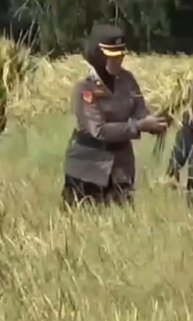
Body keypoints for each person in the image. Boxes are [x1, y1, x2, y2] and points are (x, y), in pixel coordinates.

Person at [61, 24, 168, 206]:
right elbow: (99, 131)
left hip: (121, 166)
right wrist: (140, 126)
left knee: (121, 219)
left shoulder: (127, 80)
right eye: (112, 56)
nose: (118, 60)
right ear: (98, 56)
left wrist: (158, 121)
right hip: (88, 166)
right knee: (85, 217)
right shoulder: (85, 89)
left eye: (120, 55)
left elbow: (140, 110)